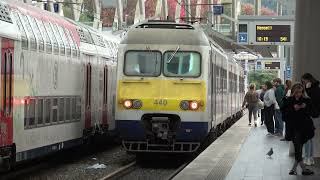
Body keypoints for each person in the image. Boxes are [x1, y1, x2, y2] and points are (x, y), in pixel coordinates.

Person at [282, 83, 315, 175]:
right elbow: (284, 116)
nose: (298, 94)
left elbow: (314, 113)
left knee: (298, 146)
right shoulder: (288, 100)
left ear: (302, 92)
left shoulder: (307, 100)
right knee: (298, 146)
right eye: (296, 92)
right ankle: (302, 168)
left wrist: (306, 107)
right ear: (293, 92)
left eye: (300, 92)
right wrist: (293, 108)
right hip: (293, 128)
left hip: (305, 128)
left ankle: (296, 169)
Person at [301, 73, 320, 166]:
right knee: (310, 138)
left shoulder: (313, 89)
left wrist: (307, 90)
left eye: (304, 81)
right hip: (314, 116)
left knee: (308, 137)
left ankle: (308, 157)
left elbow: (311, 101)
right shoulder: (316, 88)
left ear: (308, 80)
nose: (303, 83)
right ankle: (310, 158)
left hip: (312, 116)